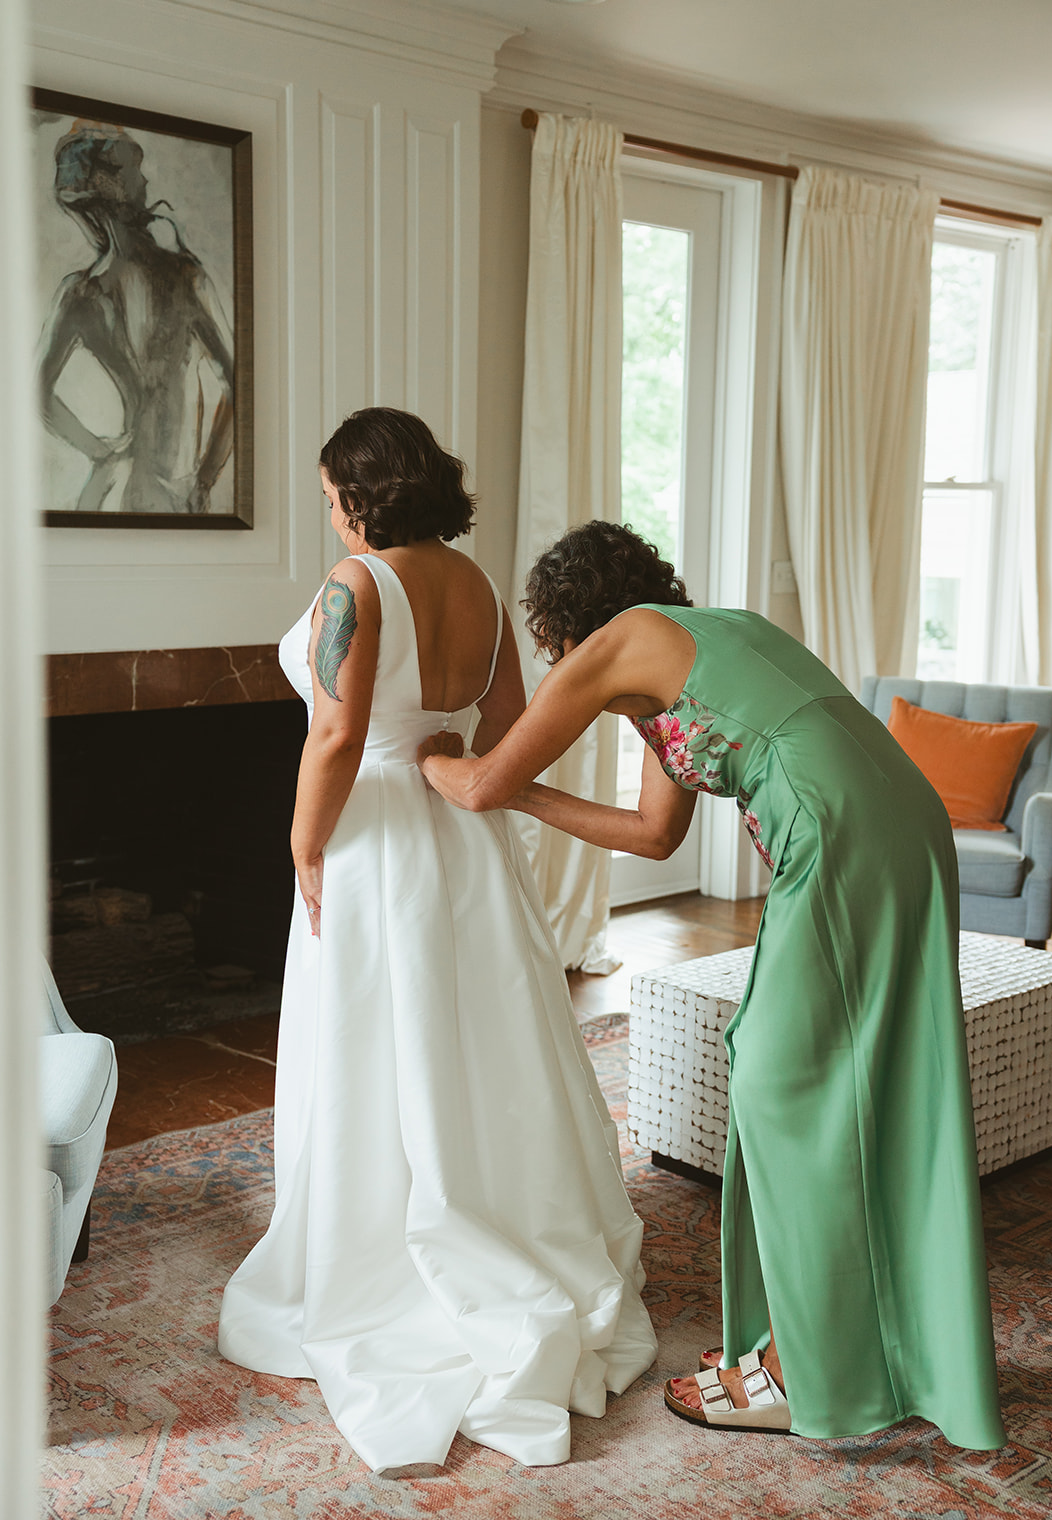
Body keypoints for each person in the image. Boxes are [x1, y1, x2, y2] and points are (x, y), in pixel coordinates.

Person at [418, 518, 1006, 1451]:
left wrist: (426, 762)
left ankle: (803, 1370)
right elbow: (656, 837)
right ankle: (866, 1348)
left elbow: (483, 780)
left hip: (838, 830)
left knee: (782, 1091)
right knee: (852, 1083)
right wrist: (520, 791)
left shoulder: (611, 645)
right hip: (895, 813)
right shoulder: (703, 642)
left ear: (563, 627)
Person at [217, 413, 657, 1474]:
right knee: (473, 1033)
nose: (327, 510)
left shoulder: (355, 586)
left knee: (374, 1038)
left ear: (363, 491)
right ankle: (497, 1213)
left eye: (330, 493)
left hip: (369, 836)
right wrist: (443, 760)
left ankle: (382, 1256)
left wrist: (302, 844)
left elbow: (333, 731)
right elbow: (507, 728)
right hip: (458, 832)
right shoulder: (471, 580)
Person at [38, 121, 234, 514]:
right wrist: (203, 479)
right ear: (108, 184)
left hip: (117, 488)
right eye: (132, 169)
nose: (144, 180)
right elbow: (240, 384)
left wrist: (101, 453)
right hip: (162, 488)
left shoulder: (80, 293)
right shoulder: (184, 278)